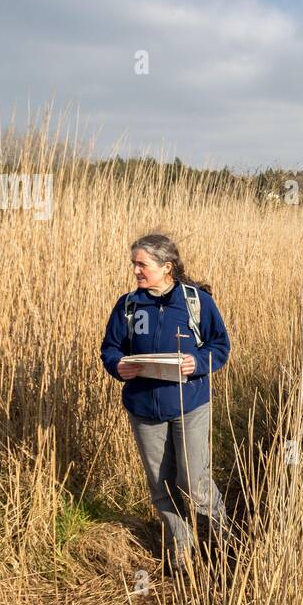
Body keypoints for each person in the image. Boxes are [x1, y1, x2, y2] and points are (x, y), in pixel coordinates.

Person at [100, 233, 231, 573]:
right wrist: (119, 366)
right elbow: (110, 348)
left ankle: (222, 539)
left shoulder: (195, 301)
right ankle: (181, 550)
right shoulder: (128, 305)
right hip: (143, 409)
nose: (135, 271)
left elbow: (220, 346)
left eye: (141, 264)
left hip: (190, 405)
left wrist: (197, 363)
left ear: (166, 267)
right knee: (161, 487)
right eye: (134, 264)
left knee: (193, 482)